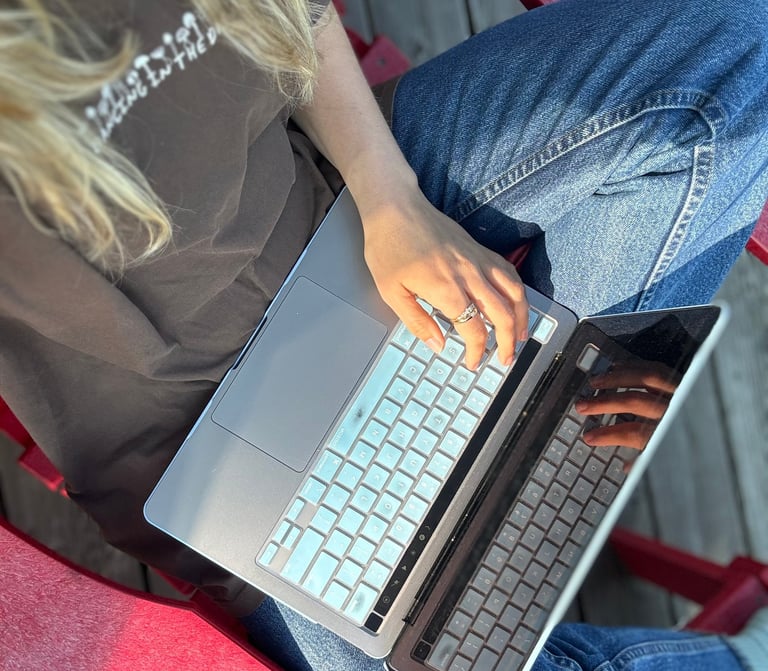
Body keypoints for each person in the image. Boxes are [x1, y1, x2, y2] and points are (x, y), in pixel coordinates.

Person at [0, 0, 766, 669]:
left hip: (333, 201)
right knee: (452, 626)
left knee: (738, 55)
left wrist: (389, 198)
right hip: (193, 439)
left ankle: (538, 432)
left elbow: (296, 13)